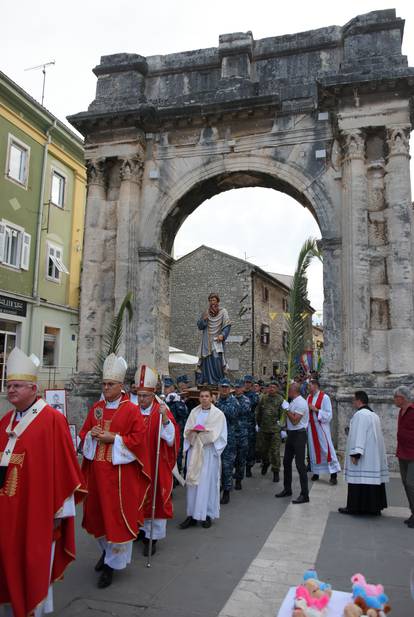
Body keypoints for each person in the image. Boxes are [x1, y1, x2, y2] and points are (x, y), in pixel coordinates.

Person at [0, 348, 86, 616]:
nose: (10, 390)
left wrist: (59, 514)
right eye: (8, 385)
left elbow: (65, 470)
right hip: (7, 512)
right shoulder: (5, 421)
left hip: (38, 513)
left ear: (33, 388)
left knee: (33, 566)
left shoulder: (52, 420)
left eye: (16, 385)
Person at [80, 354, 150, 588]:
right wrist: (89, 437)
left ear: (121, 386)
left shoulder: (131, 410)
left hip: (120, 478)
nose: (106, 388)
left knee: (117, 520)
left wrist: (115, 439)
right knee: (98, 517)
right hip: (97, 476)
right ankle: (105, 553)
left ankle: (112, 565)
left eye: (110, 384)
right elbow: (84, 433)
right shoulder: (97, 408)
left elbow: (139, 441)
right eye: (104, 384)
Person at [135, 365, 180, 556]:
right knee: (136, 499)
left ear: (153, 395)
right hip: (136, 465)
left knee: (156, 500)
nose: (142, 399)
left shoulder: (161, 411)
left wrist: (164, 420)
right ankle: (138, 530)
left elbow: (171, 438)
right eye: (139, 395)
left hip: (155, 465)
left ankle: (152, 538)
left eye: (145, 396)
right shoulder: (132, 411)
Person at [180, 388, 227, 529]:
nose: (204, 398)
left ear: (212, 398)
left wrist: (205, 436)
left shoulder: (218, 415)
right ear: (199, 398)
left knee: (206, 484)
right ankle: (191, 515)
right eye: (202, 396)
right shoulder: (194, 412)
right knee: (193, 485)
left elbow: (221, 435)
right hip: (195, 451)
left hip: (208, 453)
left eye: (207, 396)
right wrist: (194, 434)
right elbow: (186, 431)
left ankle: (206, 514)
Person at [339, 391, 388, 516]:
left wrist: (356, 453)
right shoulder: (373, 415)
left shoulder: (360, 415)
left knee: (359, 479)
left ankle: (355, 508)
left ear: (359, 400)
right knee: (370, 482)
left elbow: (359, 434)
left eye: (354, 400)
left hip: (363, 457)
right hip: (372, 456)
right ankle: (373, 508)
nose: (353, 402)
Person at [276, 382, 309, 504]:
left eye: (289, 390)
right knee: (286, 462)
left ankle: (305, 494)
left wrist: (286, 409)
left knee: (300, 465)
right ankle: (287, 489)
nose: (287, 392)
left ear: (294, 390)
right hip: (292, 434)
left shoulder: (301, 402)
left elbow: (295, 420)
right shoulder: (294, 401)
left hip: (299, 434)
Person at [307, 379, 341, 485]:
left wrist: (316, 410)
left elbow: (329, 414)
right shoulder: (309, 397)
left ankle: (333, 474)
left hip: (321, 427)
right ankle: (316, 472)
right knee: (313, 450)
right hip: (311, 428)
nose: (308, 387)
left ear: (316, 385)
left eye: (310, 385)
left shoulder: (324, 397)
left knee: (327, 449)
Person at [196, 293, 231, 385]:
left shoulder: (223, 312)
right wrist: (204, 320)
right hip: (207, 340)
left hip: (217, 340)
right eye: (210, 300)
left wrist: (223, 335)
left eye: (214, 300)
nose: (212, 302)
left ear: (218, 301)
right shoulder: (206, 312)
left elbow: (227, 325)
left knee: (217, 359)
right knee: (206, 360)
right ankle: (207, 380)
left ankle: (217, 381)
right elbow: (200, 326)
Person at [215, 378, 240, 504]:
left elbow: (232, 414)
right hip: (217, 437)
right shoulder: (217, 401)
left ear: (229, 389)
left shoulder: (233, 401)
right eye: (222, 387)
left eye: (226, 387)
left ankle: (226, 491)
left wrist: (216, 406)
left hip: (229, 438)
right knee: (216, 465)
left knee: (227, 465)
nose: (224, 389)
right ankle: (217, 488)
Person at [393, 386, 414, 528]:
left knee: (411, 483)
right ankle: (413, 511)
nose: (394, 400)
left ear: (402, 398)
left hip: (413, 453)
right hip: (402, 452)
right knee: (406, 484)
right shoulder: (401, 411)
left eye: (396, 397)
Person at [255, 381, 285, 483]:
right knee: (263, 450)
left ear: (277, 389)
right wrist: (258, 424)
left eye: (274, 387)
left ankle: (276, 471)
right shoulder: (263, 398)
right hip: (263, 429)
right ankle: (266, 462)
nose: (271, 389)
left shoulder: (280, 399)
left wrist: (283, 428)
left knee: (275, 452)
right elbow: (258, 412)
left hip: (275, 430)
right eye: (270, 387)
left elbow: (283, 416)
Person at [164, 377, 188, 473]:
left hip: (177, 431)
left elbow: (184, 413)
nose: (166, 389)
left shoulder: (177, 399)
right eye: (165, 387)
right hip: (165, 431)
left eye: (168, 387)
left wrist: (177, 402)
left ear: (173, 388)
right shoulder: (163, 398)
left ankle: (176, 476)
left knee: (177, 453)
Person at [233, 379, 251, 490]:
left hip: (242, 433)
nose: (237, 389)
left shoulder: (246, 400)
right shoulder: (232, 399)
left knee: (241, 458)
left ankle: (239, 479)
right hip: (232, 433)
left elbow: (241, 411)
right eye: (236, 387)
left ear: (243, 389)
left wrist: (233, 404)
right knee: (231, 459)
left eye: (239, 387)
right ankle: (229, 480)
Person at [244, 375, 259, 477]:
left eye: (249, 382)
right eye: (245, 382)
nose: (247, 384)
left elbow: (251, 404)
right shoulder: (238, 393)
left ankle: (248, 467)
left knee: (250, 447)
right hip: (240, 425)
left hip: (249, 424)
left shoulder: (253, 395)